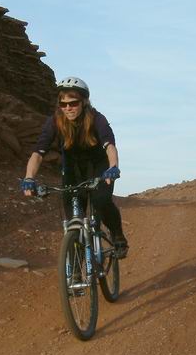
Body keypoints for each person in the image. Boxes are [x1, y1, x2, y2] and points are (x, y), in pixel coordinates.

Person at [20, 76, 128, 258]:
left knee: (101, 201)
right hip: (72, 170)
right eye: (63, 104)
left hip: (99, 167)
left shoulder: (96, 118)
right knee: (73, 220)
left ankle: (118, 237)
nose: (68, 108)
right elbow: (38, 152)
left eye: (73, 103)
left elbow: (109, 145)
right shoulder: (55, 121)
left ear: (84, 102)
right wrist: (29, 177)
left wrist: (113, 167)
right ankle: (75, 268)